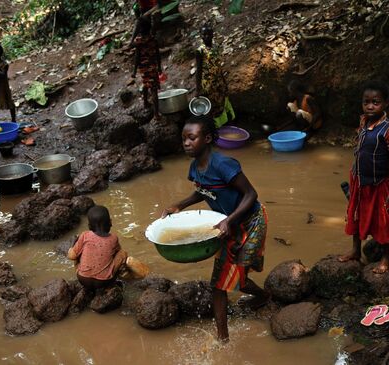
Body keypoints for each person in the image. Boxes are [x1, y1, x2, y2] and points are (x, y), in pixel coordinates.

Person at [162, 115, 269, 342]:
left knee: (238, 275)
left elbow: (251, 194)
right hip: (227, 225)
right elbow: (203, 191)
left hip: (251, 222)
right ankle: (223, 338)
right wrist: (179, 205)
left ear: (207, 138)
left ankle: (262, 296)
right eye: (184, 139)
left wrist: (230, 219)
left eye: (192, 138)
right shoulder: (195, 168)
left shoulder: (223, 164)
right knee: (219, 283)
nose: (186, 143)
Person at [339, 81, 389, 274]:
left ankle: (386, 257)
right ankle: (356, 250)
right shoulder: (363, 121)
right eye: (366, 102)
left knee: (382, 220)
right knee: (355, 214)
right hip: (358, 179)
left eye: (376, 102)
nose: (370, 106)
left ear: (385, 104)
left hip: (379, 182)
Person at [67, 206, 129, 290]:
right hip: (104, 281)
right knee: (122, 253)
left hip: (83, 279)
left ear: (89, 226)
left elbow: (71, 257)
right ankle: (111, 283)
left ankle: (84, 271)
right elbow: (117, 252)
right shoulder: (114, 238)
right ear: (110, 222)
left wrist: (71, 249)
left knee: (76, 252)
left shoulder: (85, 235)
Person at [195, 24, 235, 128]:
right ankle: (215, 128)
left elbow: (218, 65)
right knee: (212, 106)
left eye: (209, 34)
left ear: (213, 35)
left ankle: (224, 125)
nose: (207, 36)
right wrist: (198, 88)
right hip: (208, 83)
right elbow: (198, 70)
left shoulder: (216, 47)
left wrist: (224, 82)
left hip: (218, 81)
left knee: (222, 102)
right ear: (201, 36)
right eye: (204, 34)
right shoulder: (200, 51)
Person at [132, 16, 162, 119]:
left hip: (143, 68)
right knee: (153, 90)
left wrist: (134, 71)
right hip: (152, 66)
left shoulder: (138, 41)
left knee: (145, 84)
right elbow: (158, 54)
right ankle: (156, 114)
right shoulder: (153, 39)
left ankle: (146, 103)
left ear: (139, 29)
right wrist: (159, 66)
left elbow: (137, 56)